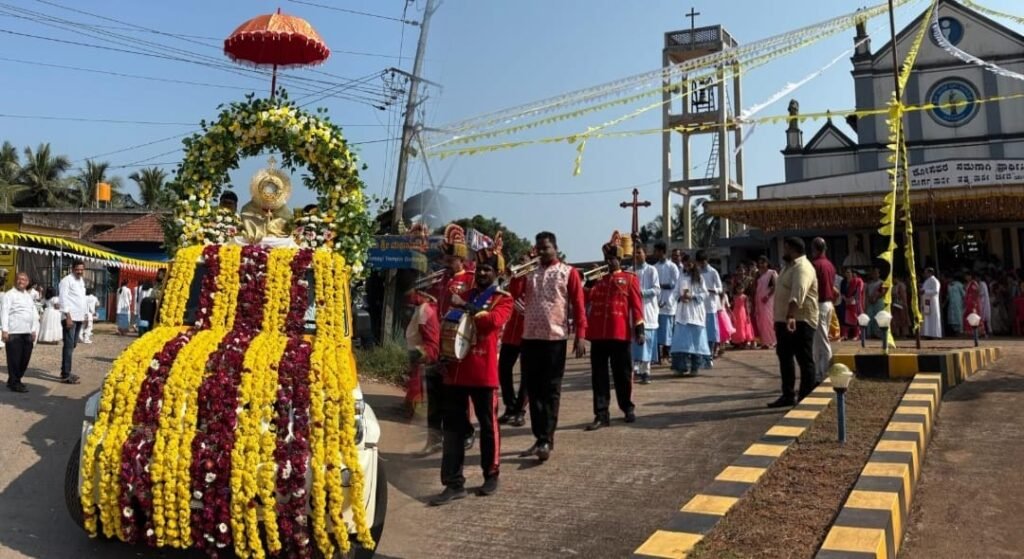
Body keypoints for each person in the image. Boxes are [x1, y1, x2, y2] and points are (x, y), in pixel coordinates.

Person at [429, 237, 513, 505]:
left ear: (497, 273)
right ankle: (453, 483)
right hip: (455, 372)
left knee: (488, 426)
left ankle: (491, 474)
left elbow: (491, 322)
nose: (482, 273)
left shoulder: (503, 300)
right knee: (452, 430)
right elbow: (448, 327)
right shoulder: (464, 294)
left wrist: (465, 306)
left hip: (482, 372)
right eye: (480, 269)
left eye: (488, 269)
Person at [513, 231, 587, 463]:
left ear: (555, 248)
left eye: (546, 248)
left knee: (551, 389)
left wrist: (581, 335)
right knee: (533, 389)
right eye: (538, 248)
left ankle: (546, 438)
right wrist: (520, 271)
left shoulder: (568, 272)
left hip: (555, 338)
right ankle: (540, 438)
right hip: (530, 337)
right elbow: (513, 293)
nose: (541, 252)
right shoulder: (530, 273)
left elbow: (578, 304)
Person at [585, 232, 645, 431]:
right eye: (607, 258)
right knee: (599, 376)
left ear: (620, 259)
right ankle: (601, 414)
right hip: (598, 335)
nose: (609, 262)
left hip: (619, 333)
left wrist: (640, 329)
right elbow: (586, 298)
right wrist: (590, 282)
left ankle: (627, 408)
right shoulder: (598, 279)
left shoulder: (629, 279)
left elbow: (637, 306)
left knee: (623, 374)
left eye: (612, 258)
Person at [431, 223, 478, 451]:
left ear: (460, 259)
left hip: (461, 337)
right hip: (443, 337)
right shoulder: (443, 279)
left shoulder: (470, 278)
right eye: (445, 260)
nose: (446, 263)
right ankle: (441, 433)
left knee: (461, 389)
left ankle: (467, 431)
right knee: (443, 389)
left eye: (450, 260)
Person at [768, 237, 819, 408]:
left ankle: (806, 396)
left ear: (792, 249)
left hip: (800, 320)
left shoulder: (803, 267)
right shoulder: (788, 267)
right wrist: (779, 319)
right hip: (784, 320)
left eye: (785, 248)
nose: (784, 252)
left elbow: (798, 294)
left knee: (804, 359)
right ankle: (788, 395)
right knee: (785, 357)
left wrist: (790, 315)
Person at [497, 253, 530, 427]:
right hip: (511, 332)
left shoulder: (535, 278)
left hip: (528, 331)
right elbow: (512, 295)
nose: (520, 264)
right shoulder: (515, 279)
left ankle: (520, 410)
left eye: (523, 261)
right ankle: (510, 406)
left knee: (527, 373)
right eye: (519, 261)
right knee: (503, 369)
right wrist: (515, 276)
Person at [670, 254, 709, 375]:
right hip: (683, 313)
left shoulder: (699, 278)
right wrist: (679, 298)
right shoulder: (681, 277)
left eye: (689, 263)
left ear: (693, 264)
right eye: (685, 263)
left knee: (696, 342)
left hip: (695, 312)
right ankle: (681, 367)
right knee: (681, 342)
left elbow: (705, 293)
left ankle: (695, 367)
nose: (687, 265)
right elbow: (675, 292)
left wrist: (693, 297)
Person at [2, 272, 39, 392]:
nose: (21, 281)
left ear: (27, 282)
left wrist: (33, 330)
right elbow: (4, 312)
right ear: (15, 280)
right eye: (19, 279)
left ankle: (14, 379)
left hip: (27, 332)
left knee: (25, 358)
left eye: (24, 279)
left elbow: (32, 313)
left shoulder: (28, 296)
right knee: (14, 359)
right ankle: (15, 382)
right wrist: (5, 330)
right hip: (14, 332)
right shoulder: (9, 295)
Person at [631, 244, 660, 385]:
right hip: (634, 313)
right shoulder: (630, 271)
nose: (636, 255)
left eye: (639, 252)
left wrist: (642, 293)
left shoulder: (651, 270)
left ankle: (645, 372)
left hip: (648, 311)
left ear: (645, 254)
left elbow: (656, 289)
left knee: (646, 343)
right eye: (634, 253)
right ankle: (634, 370)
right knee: (634, 343)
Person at [810, 238, 836, 383]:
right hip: (828, 303)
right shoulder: (829, 264)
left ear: (815, 249)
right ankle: (819, 373)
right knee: (819, 340)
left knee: (821, 341)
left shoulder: (815, 264)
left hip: (819, 304)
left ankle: (824, 373)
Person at [59, 260, 88, 384]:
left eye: (81, 269)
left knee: (73, 344)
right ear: (72, 269)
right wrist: (68, 317)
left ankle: (65, 371)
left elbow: (82, 299)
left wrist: (85, 315)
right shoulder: (66, 281)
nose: (79, 271)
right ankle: (66, 374)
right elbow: (63, 299)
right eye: (77, 269)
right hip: (70, 318)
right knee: (69, 345)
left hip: (79, 317)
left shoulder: (81, 281)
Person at [695, 250, 723, 367]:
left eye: (702, 262)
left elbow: (720, 288)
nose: (701, 264)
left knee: (711, 333)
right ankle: (701, 355)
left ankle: (710, 355)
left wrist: (711, 290)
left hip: (710, 306)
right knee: (700, 331)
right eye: (699, 262)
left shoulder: (713, 272)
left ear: (706, 261)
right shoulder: (696, 272)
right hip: (699, 306)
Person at [653, 242, 679, 364]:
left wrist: (660, 286)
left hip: (669, 302)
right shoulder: (654, 267)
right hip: (656, 303)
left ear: (662, 251)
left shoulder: (672, 266)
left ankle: (666, 354)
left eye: (656, 251)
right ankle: (657, 356)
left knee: (667, 330)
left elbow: (675, 284)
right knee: (657, 330)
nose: (655, 253)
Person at [755, 255, 778, 349]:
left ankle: (772, 341)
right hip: (759, 300)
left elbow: (775, 286)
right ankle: (764, 342)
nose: (761, 265)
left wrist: (767, 296)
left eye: (763, 263)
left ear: (767, 263)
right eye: (760, 263)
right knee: (761, 321)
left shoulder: (772, 273)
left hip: (768, 300)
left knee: (768, 320)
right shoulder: (758, 274)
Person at [841, 268, 865, 341]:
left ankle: (857, 335)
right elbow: (842, 292)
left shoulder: (857, 281)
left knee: (855, 318)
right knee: (845, 319)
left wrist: (852, 298)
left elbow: (857, 292)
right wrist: (846, 299)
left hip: (854, 302)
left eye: (849, 272)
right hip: (845, 302)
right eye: (846, 272)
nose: (847, 274)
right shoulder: (843, 281)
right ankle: (845, 335)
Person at [729, 284, 754, 348]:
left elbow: (746, 306)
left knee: (742, 327)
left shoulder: (745, 297)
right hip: (735, 313)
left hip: (742, 313)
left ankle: (743, 342)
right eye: (738, 288)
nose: (740, 290)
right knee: (736, 326)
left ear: (743, 289)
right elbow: (732, 305)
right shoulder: (734, 297)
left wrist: (748, 315)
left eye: (741, 288)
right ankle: (736, 342)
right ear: (736, 289)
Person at [921, 268, 942, 339]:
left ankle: (934, 334)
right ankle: (928, 334)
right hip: (926, 301)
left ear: (930, 273)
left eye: (926, 272)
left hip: (932, 302)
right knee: (926, 317)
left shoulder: (935, 281)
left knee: (933, 317)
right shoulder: (926, 281)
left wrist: (925, 291)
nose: (925, 274)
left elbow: (936, 291)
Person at [865, 267, 885, 339]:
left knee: (879, 317)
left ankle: (878, 334)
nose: (875, 274)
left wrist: (876, 298)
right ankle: (870, 334)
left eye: (876, 273)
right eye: (874, 273)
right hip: (870, 302)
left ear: (879, 274)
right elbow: (867, 293)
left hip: (878, 302)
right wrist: (869, 299)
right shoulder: (869, 283)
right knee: (869, 317)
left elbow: (883, 292)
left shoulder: (882, 282)